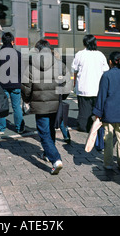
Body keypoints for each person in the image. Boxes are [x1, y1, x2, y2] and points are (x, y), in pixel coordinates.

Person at [21, 39, 70, 175]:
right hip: (55, 104)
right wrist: (61, 98)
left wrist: (27, 100)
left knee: (44, 133)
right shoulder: (60, 65)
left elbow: (26, 88)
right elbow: (66, 86)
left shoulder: (31, 66)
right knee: (50, 129)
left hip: (40, 105)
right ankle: (48, 154)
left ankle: (55, 159)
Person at [93, 51, 120, 171]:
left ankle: (108, 163)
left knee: (108, 138)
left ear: (110, 62)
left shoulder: (107, 75)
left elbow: (101, 95)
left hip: (109, 112)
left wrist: (98, 112)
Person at [71, 34, 109, 132]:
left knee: (84, 110)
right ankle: (95, 127)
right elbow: (106, 70)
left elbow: (74, 70)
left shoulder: (80, 54)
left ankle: (83, 127)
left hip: (83, 87)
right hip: (97, 87)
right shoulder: (100, 55)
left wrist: (74, 84)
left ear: (84, 43)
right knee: (96, 110)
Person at [0, 32, 24, 135]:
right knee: (16, 106)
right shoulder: (18, 54)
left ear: (2, 41)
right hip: (16, 84)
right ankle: (19, 128)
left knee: (2, 105)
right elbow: (21, 70)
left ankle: (1, 128)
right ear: (13, 42)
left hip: (3, 84)